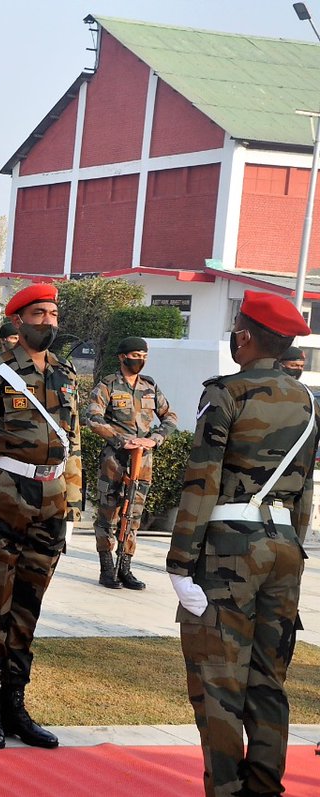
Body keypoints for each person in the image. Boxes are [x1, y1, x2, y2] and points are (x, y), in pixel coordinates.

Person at [167, 293, 316, 797]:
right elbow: (304, 488)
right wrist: (292, 542)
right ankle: (264, 788)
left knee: (219, 683)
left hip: (230, 548)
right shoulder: (307, 399)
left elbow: (202, 481)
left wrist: (180, 561)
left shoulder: (226, 392)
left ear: (245, 336)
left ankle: (227, 791)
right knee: (268, 681)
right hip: (284, 546)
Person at [0, 282, 81, 751]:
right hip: (4, 496)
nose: (49, 322)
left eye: (53, 314)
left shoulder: (65, 374)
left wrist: (72, 505)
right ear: (16, 322)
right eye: (39, 314)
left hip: (51, 499)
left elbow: (73, 444)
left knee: (28, 607)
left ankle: (17, 703)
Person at [86, 337, 178, 589]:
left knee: (134, 514)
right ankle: (107, 568)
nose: (140, 360)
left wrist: (155, 439)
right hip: (115, 459)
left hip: (143, 460)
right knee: (109, 511)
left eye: (144, 355)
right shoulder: (108, 385)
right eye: (135, 355)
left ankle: (125, 567)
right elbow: (92, 417)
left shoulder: (150, 387)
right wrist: (119, 440)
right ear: (122, 357)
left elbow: (170, 416)